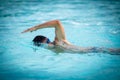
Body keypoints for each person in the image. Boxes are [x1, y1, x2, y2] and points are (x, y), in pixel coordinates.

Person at [22, 20, 120, 54]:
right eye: (47, 41)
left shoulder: (58, 42)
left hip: (96, 50)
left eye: (48, 40)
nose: (49, 42)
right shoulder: (53, 50)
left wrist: (35, 27)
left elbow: (57, 23)